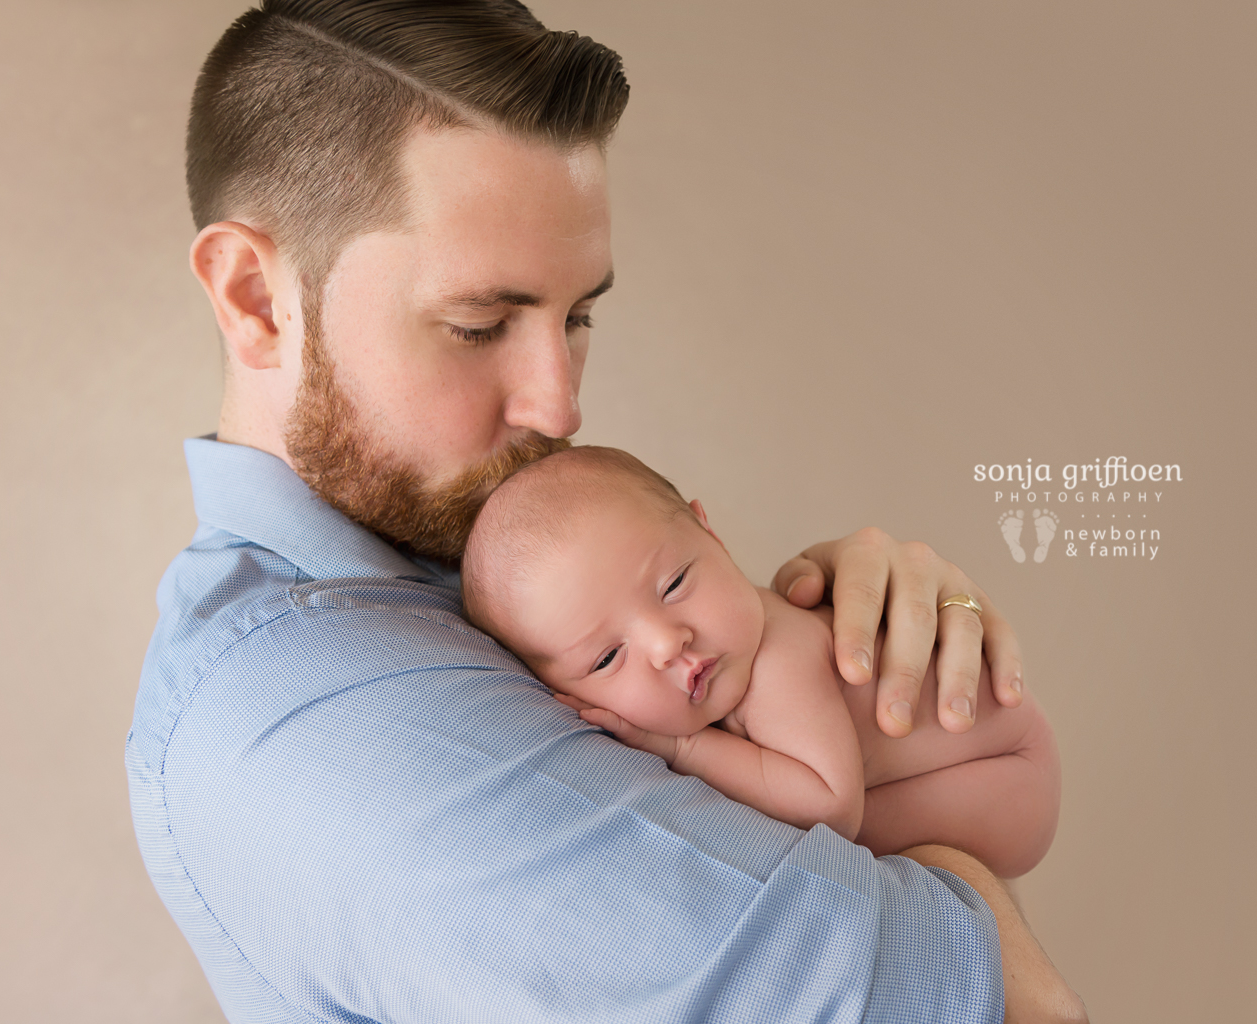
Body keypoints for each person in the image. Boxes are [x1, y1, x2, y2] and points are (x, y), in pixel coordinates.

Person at [128, 1, 1086, 1021]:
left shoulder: (487, 564)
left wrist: (887, 674)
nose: (560, 405)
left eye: (576, 315)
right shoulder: (309, 719)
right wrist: (948, 867)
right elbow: (1002, 1002)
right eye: (479, 323)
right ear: (254, 298)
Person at [462, 446, 1062, 879]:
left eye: (673, 584)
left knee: (809, 840)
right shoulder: (722, 662)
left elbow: (830, 807)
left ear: (712, 536)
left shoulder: (777, 659)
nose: (668, 643)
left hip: (1008, 770)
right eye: (608, 657)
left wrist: (683, 751)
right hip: (955, 764)